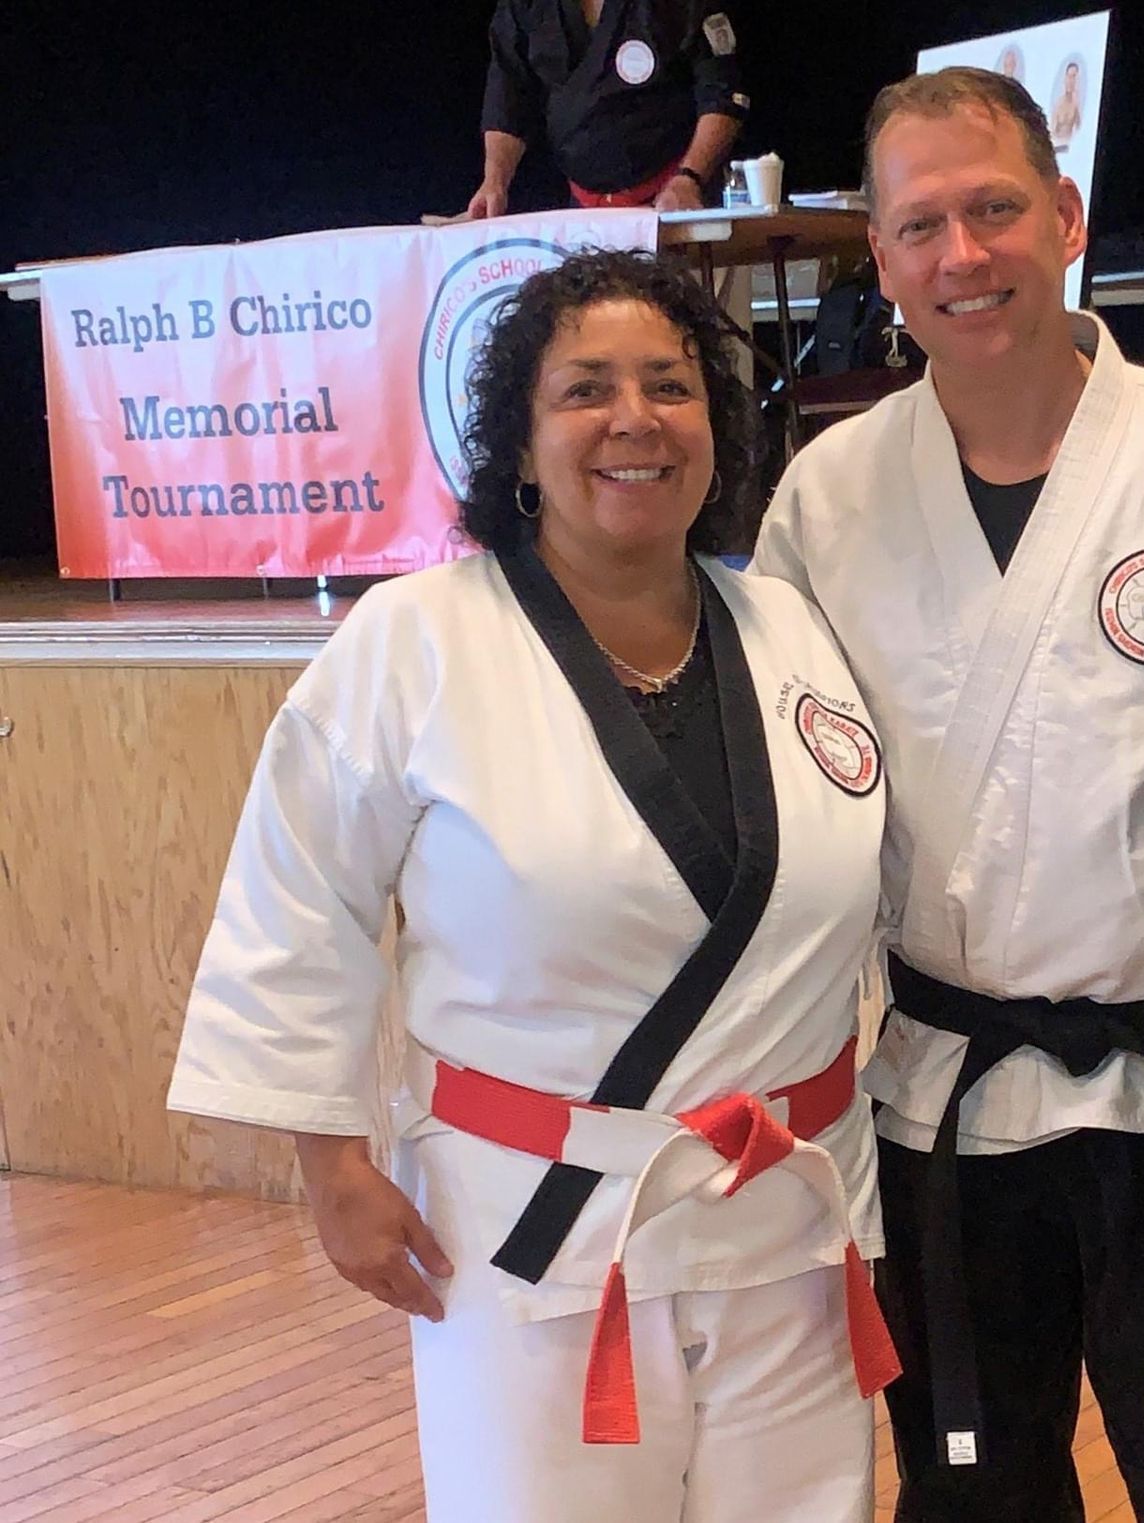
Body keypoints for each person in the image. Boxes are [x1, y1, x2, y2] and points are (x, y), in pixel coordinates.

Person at [167, 251, 897, 1522]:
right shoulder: (415, 641)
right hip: (531, 1230)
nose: (633, 420)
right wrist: (332, 1164)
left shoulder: (789, 627)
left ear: (715, 432)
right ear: (517, 440)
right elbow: (301, 897)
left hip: (788, 1221)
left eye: (670, 386)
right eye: (584, 390)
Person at [754, 65, 1144, 1523]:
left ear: (1067, 214)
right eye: (921, 225)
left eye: (997, 208)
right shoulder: (826, 498)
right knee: (971, 1492)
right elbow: (782, 809)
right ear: (878, 256)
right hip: (946, 1095)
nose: (964, 256)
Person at [469, 1, 748, 216]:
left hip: (678, 200)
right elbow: (509, 96)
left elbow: (722, 93)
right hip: (585, 209)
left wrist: (690, 178)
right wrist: (494, 181)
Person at [1050, 59, 1085, 148]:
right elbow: (1051, 132)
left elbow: (1080, 129)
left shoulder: (1077, 103)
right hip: (1058, 146)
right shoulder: (1059, 104)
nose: (1071, 81)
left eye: (1074, 77)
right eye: (1069, 76)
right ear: (1065, 78)